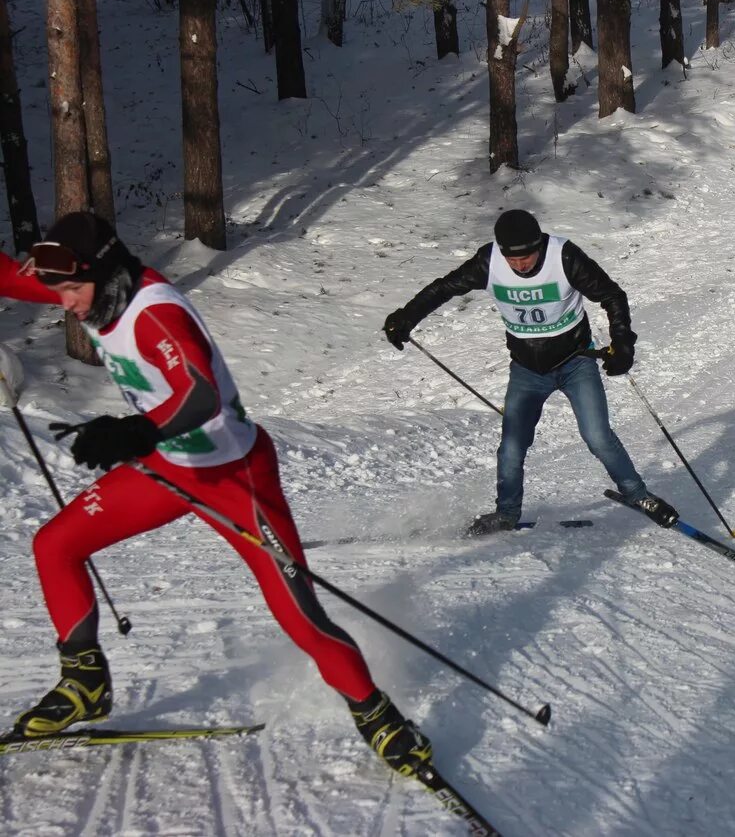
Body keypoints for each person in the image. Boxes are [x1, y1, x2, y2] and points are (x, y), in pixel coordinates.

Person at [0, 212, 430, 779]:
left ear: (104, 276)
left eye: (74, 292)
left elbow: (200, 396)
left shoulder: (154, 313)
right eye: (61, 294)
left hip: (236, 479)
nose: (69, 307)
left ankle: (380, 719)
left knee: (301, 617)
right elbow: (11, 277)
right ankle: (84, 683)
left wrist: (135, 432)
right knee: (55, 544)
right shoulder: (92, 289)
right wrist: (145, 439)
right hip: (171, 469)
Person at [382, 209, 679, 536]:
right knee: (512, 446)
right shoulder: (490, 261)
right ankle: (506, 514)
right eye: (514, 258)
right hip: (527, 370)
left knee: (597, 436)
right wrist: (406, 317)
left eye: (528, 255)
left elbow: (611, 295)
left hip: (576, 362)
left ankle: (639, 496)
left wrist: (622, 343)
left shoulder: (563, 256)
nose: (522, 264)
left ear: (540, 244)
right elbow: (444, 288)